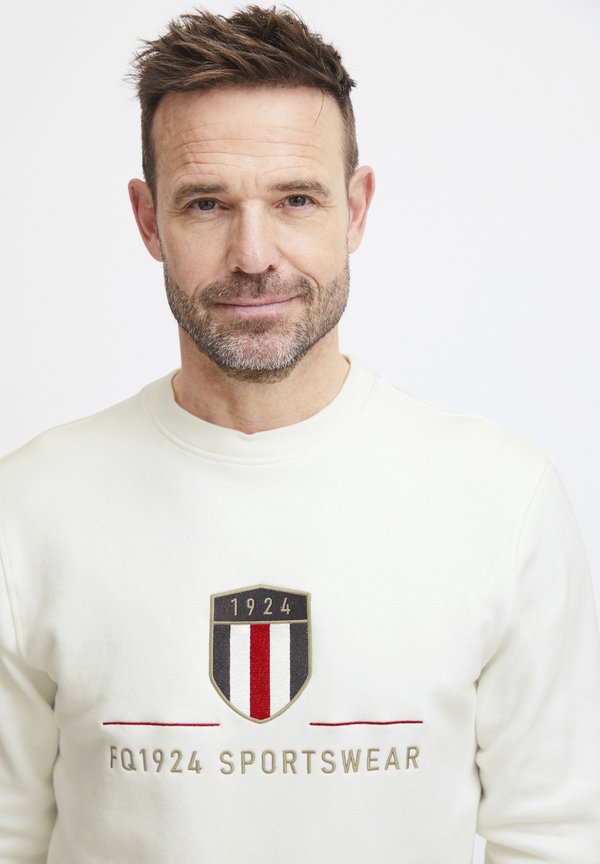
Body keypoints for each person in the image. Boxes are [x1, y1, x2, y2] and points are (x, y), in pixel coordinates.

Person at [0, 5, 599, 862]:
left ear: (355, 209)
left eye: (295, 199)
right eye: (206, 203)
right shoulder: (28, 510)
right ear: (148, 220)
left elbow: (555, 837)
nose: (254, 255)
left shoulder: (504, 501)